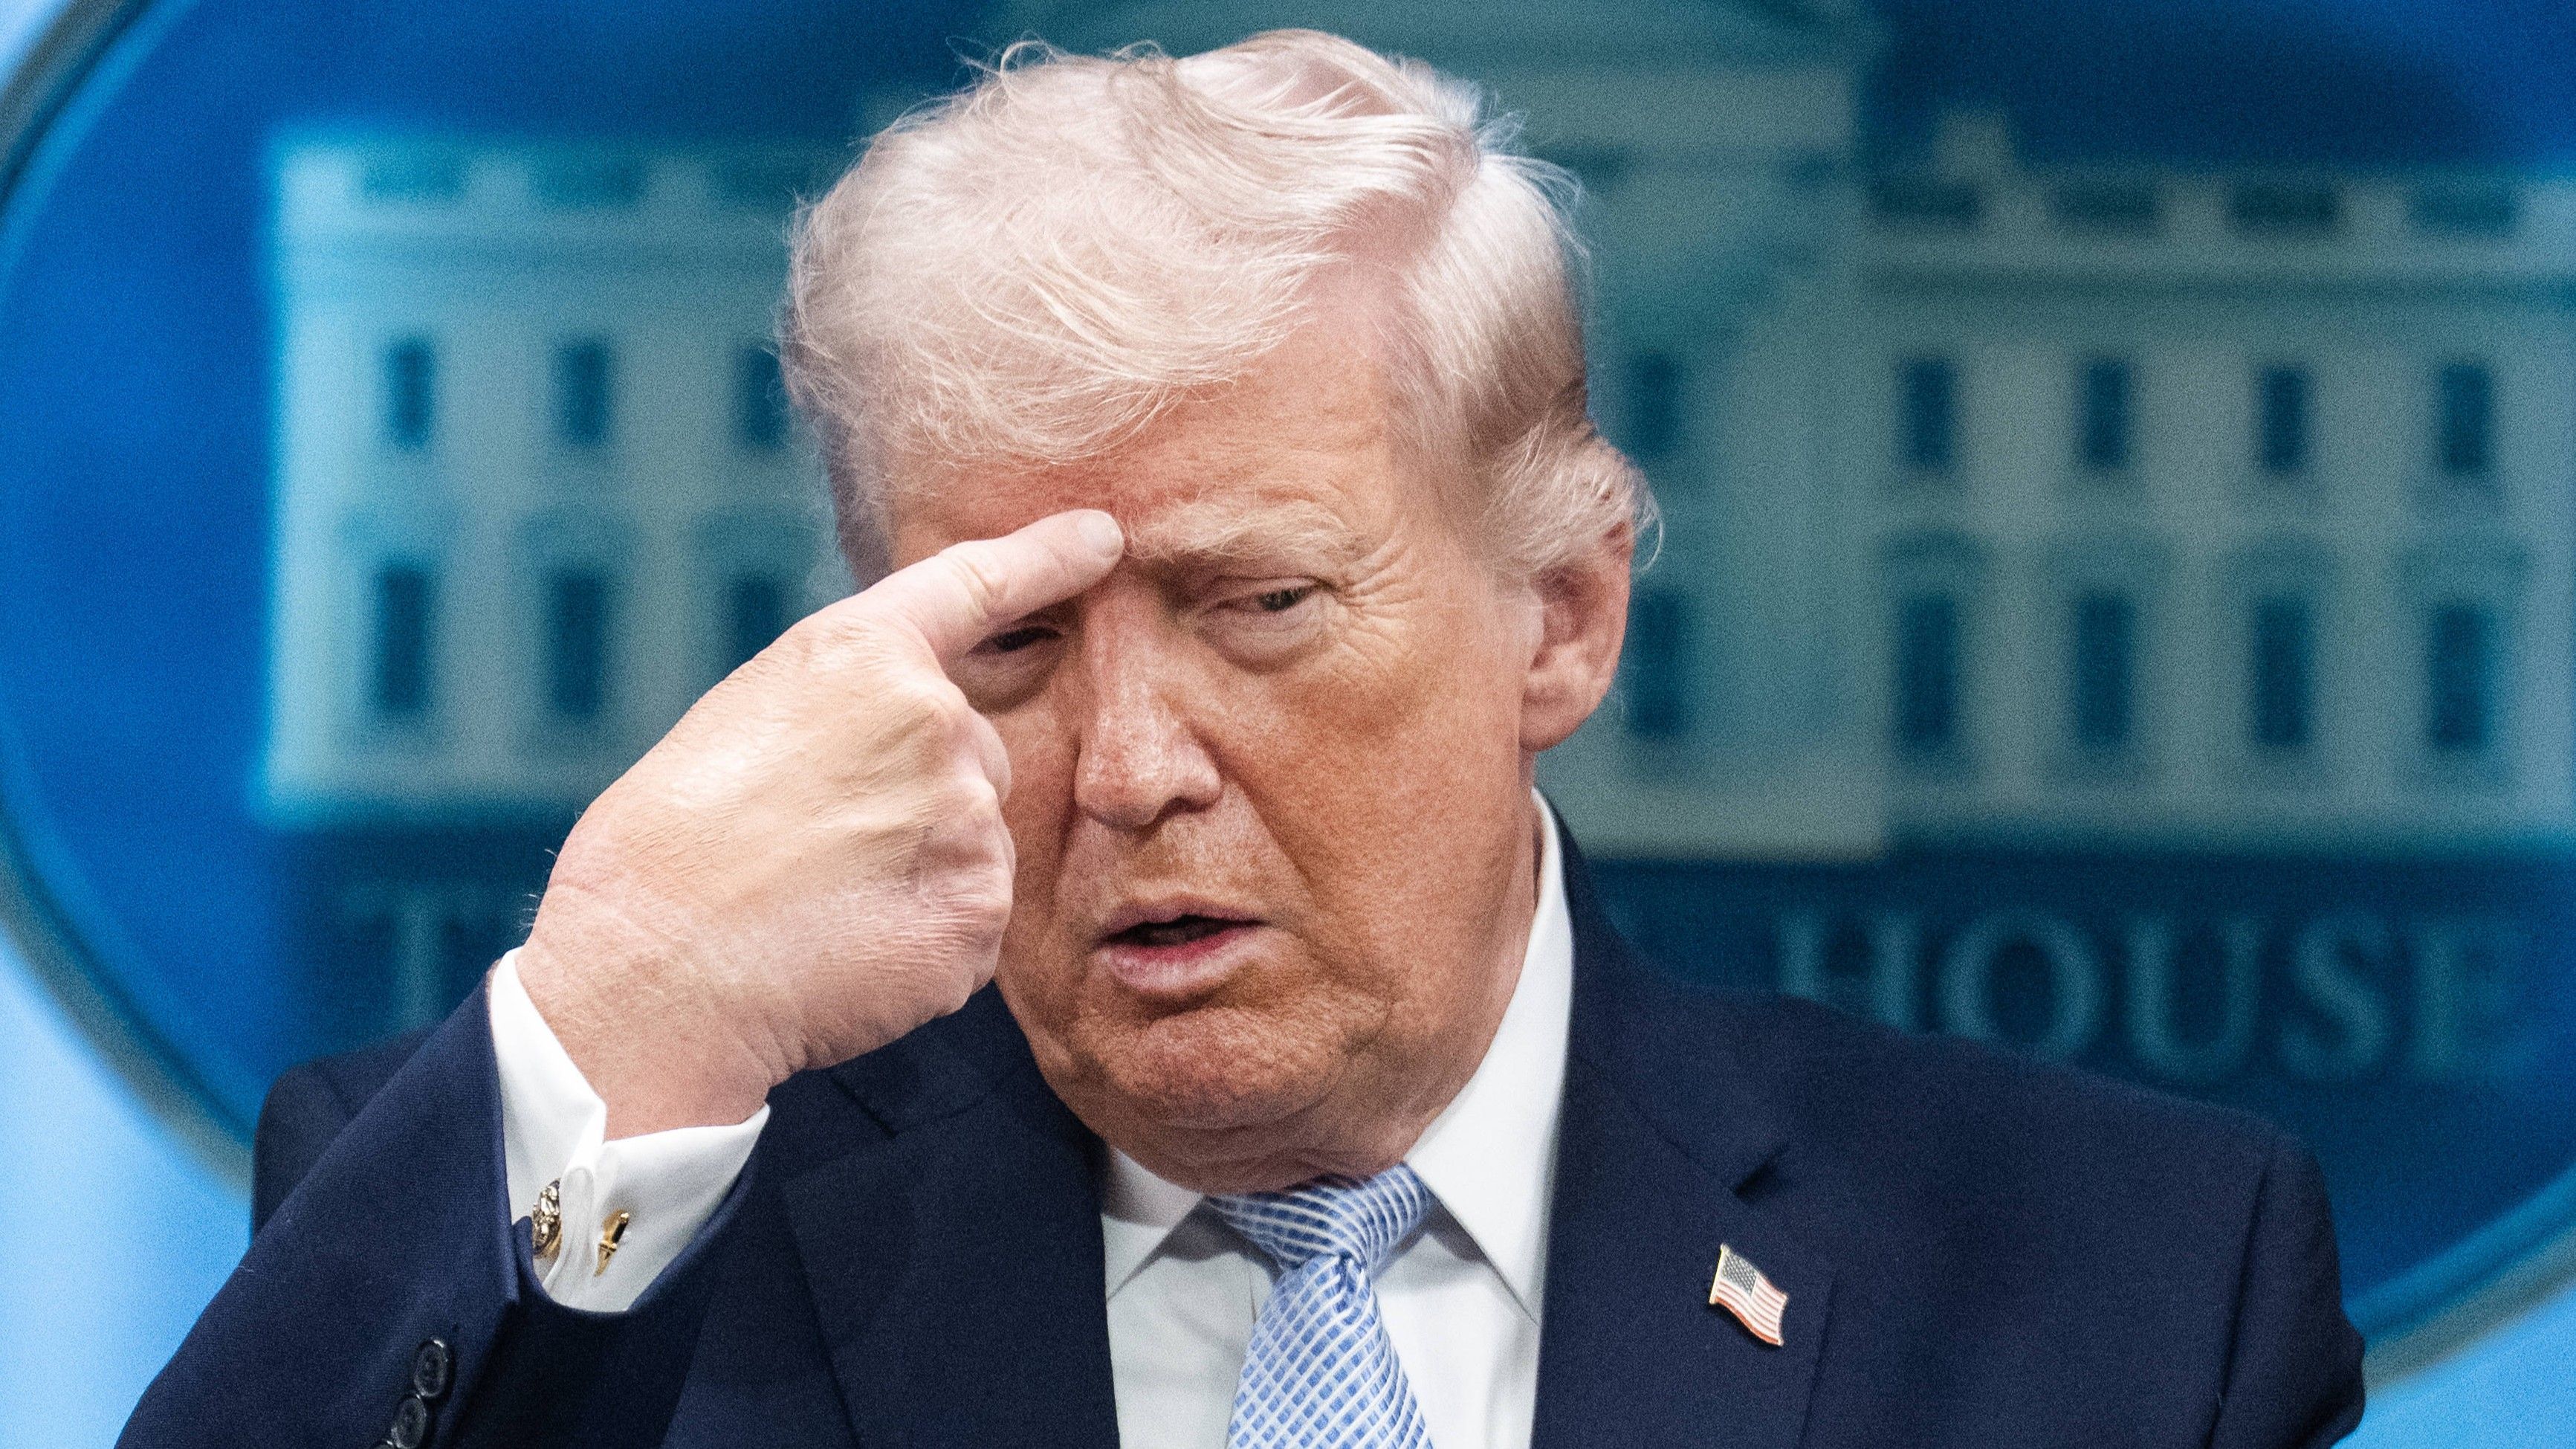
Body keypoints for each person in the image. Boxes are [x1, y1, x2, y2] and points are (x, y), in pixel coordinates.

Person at [125, 30, 2363, 1449]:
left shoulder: (2125, 1291)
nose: (1125, 770)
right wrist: (626, 1001)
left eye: (1258, 607)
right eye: (1011, 640)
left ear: (1561, 618)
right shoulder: (569, 1241)